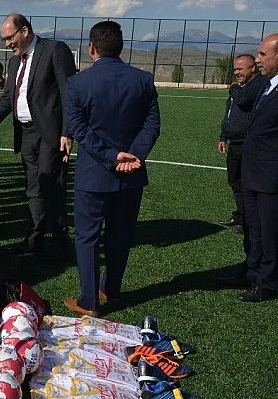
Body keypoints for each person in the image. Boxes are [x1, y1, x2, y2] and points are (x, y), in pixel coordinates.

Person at [62, 21, 160, 316]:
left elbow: (79, 129)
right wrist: (134, 155)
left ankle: (89, 301)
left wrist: (111, 156)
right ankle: (111, 289)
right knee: (121, 234)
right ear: (120, 46)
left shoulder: (78, 83)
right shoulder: (143, 79)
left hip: (95, 174)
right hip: (131, 175)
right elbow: (152, 124)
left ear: (92, 48)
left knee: (88, 236)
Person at [0, 14, 77, 259]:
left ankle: (61, 242)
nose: (7, 43)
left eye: (10, 37)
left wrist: (67, 132)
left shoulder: (54, 50)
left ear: (25, 31)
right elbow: (9, 99)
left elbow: (69, 93)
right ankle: (35, 238)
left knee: (51, 185)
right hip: (26, 133)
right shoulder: (13, 62)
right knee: (33, 188)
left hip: (50, 133)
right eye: (4, 39)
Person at [235, 33, 278, 302]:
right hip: (252, 174)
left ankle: (269, 282)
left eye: (263, 54)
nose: (258, 58)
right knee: (253, 228)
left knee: (269, 231)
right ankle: (252, 273)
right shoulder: (267, 85)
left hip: (270, 177)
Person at [217, 54, 265, 232]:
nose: (236, 72)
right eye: (235, 69)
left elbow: (244, 100)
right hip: (234, 141)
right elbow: (229, 114)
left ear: (252, 68)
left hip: (247, 143)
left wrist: (234, 89)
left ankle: (249, 221)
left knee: (246, 183)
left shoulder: (258, 84)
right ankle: (239, 216)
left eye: (240, 69)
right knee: (234, 181)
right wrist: (223, 136)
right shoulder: (239, 88)